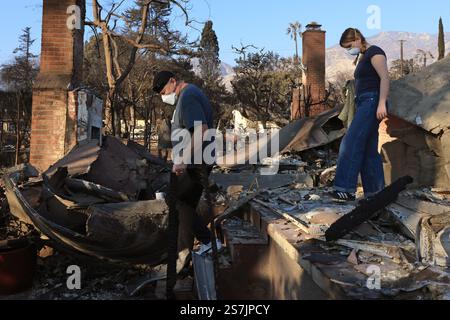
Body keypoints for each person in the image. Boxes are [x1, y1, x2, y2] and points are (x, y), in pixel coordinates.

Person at [152, 71, 221, 255]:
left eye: (164, 91)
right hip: (196, 161)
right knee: (184, 204)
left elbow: (201, 130)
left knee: (176, 201)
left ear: (173, 81)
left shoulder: (188, 96)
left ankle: (208, 243)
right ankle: (201, 245)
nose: (164, 96)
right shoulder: (186, 97)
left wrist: (183, 159)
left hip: (196, 162)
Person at [331, 28, 390, 202]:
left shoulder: (375, 52)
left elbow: (385, 78)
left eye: (349, 45)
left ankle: (345, 189)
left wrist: (381, 102)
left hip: (373, 101)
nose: (348, 50)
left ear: (357, 39)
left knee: (350, 142)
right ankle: (375, 193)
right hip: (364, 102)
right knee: (369, 148)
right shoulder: (363, 56)